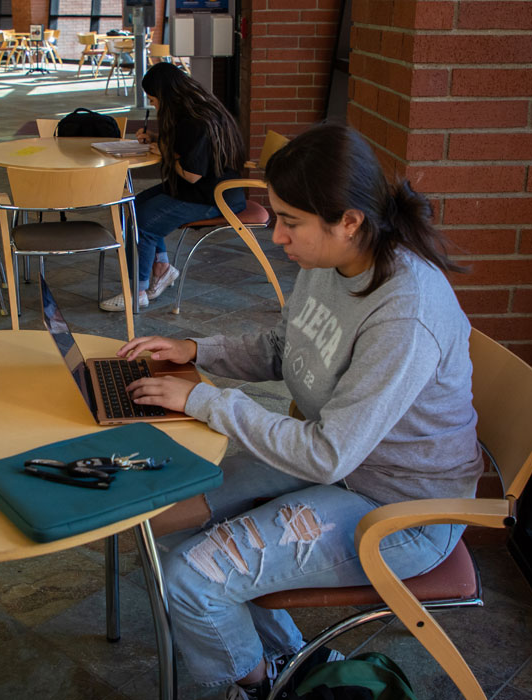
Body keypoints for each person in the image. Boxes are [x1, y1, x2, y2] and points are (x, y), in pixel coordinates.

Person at [117, 123, 483, 699]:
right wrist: (198, 352)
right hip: (336, 459)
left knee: (194, 577)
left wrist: (204, 399)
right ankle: (289, 660)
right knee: (163, 515)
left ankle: (258, 687)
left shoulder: (404, 314)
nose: (276, 235)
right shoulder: (330, 263)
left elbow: (327, 452)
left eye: (290, 221)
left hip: (401, 508)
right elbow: (287, 348)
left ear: (350, 221)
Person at [99, 62, 247, 312]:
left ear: (166, 96)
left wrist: (166, 152)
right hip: (206, 190)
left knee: (143, 221)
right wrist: (158, 141)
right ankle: (162, 269)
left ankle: (137, 292)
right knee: (133, 206)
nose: (154, 106)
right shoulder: (199, 109)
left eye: (154, 100)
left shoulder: (195, 122)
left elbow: (191, 175)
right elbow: (190, 153)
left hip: (214, 198)